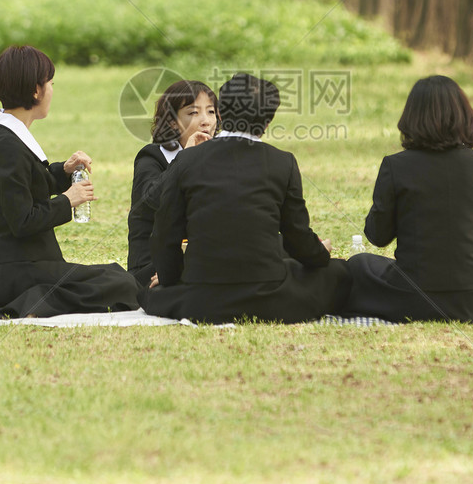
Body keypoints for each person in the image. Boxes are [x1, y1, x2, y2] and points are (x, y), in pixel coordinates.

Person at [146, 73, 350, 324]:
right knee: (339, 272)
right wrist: (320, 255)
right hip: (267, 297)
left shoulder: (187, 159)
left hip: (202, 299)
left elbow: (165, 234)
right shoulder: (282, 162)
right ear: (268, 120)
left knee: (152, 295)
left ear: (220, 114)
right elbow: (297, 238)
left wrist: (171, 281)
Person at [345, 76, 473, 322]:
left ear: (410, 118)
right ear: (464, 116)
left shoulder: (395, 165)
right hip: (472, 300)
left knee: (359, 264)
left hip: (410, 298)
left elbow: (377, 235)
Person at [0, 45, 138, 318]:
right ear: (36, 90)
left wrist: (65, 170)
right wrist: (68, 200)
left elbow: (27, 185)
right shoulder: (7, 146)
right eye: (50, 83)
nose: (51, 90)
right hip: (20, 271)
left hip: (24, 264)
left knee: (114, 274)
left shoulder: (3, 133)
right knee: (122, 284)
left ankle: (38, 297)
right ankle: (32, 301)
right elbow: (22, 221)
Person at [127, 79, 220, 287]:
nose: (206, 121)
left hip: (204, 260)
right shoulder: (151, 158)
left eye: (211, 112)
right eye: (193, 113)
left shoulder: (220, 158)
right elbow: (152, 198)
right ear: (171, 122)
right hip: (154, 267)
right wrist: (185, 158)